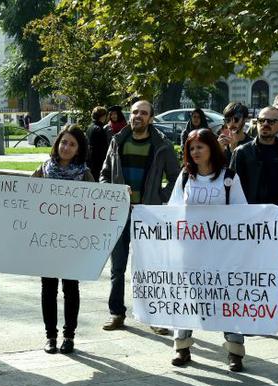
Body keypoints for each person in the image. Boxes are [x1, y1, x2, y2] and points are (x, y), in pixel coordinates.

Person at [169, 128, 249, 371]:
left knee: (226, 297)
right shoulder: (185, 177)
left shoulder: (229, 178)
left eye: (200, 147)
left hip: (222, 254)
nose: (194, 152)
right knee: (187, 297)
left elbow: (241, 211)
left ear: (211, 148)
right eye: (191, 148)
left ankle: (235, 351)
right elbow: (173, 208)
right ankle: (181, 347)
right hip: (191, 251)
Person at [100, 100, 180, 333]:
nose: (138, 116)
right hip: (120, 215)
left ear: (151, 118)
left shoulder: (162, 145)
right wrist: (111, 192)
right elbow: (104, 174)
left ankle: (152, 316)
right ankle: (116, 314)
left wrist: (158, 196)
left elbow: (176, 177)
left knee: (148, 268)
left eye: (143, 113)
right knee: (117, 269)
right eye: (135, 112)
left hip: (148, 216)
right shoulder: (117, 140)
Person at [231, 106, 278, 335]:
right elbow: (232, 185)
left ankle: (275, 315)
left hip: (275, 222)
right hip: (246, 222)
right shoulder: (242, 152)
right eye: (262, 120)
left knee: (272, 270)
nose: (266, 124)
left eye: (272, 121)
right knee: (244, 269)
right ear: (256, 122)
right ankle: (246, 315)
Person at [34, 126, 95, 354]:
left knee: (71, 288)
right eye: (63, 142)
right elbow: (23, 194)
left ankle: (69, 336)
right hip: (47, 240)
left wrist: (120, 195)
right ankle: (50, 336)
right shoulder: (43, 170)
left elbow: (99, 203)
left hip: (73, 241)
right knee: (48, 288)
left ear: (79, 149)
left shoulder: (85, 174)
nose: (65, 147)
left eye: (71, 144)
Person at [86, 106, 109, 180]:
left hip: (89, 161)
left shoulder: (90, 127)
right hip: (97, 162)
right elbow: (103, 148)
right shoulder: (100, 129)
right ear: (102, 116)